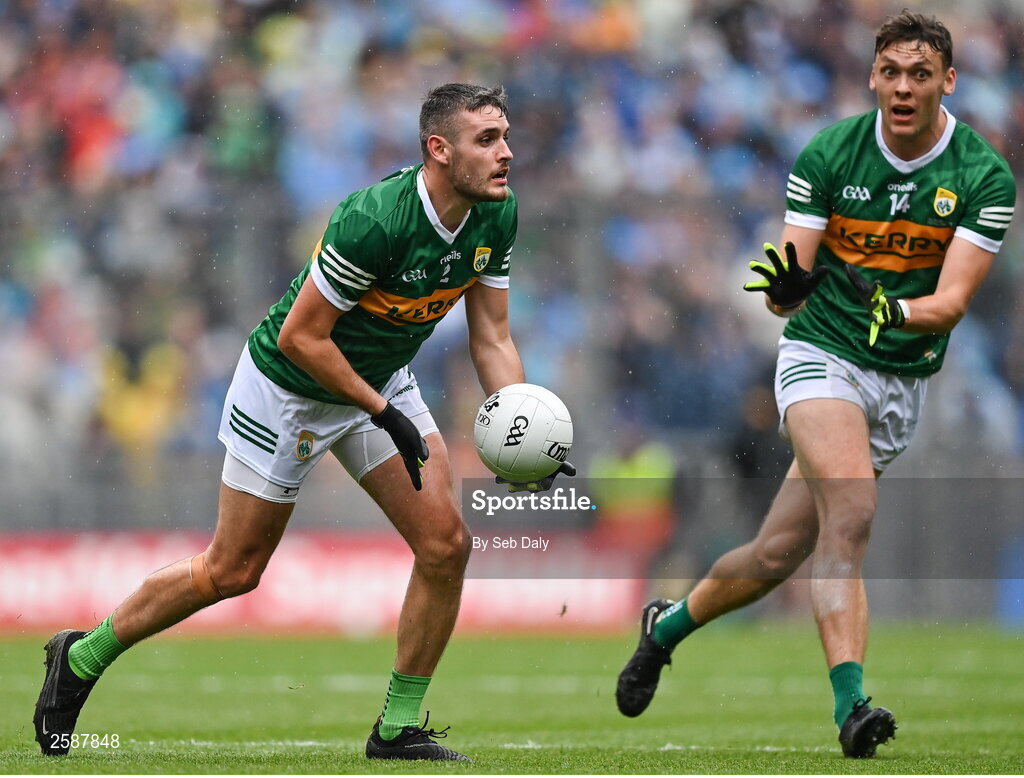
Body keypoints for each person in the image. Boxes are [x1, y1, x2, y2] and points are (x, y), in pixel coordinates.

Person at [34, 83, 570, 763]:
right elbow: (301, 338)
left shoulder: (497, 214)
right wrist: (382, 412)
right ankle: (80, 657)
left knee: (445, 544)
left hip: (375, 385)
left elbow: (491, 337)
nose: (506, 153)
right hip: (288, 391)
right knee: (233, 570)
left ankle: (397, 727)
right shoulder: (374, 219)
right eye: (487, 140)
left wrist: (516, 425)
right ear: (438, 150)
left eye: (505, 136)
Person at [616, 10, 1014, 759]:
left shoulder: (982, 176)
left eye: (920, 73)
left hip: (900, 378)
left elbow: (952, 303)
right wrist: (786, 290)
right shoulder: (830, 153)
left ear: (948, 82)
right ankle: (851, 705)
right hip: (820, 355)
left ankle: (665, 627)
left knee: (773, 557)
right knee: (854, 513)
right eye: (890, 71)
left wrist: (892, 308)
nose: (903, 86)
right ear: (872, 77)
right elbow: (786, 290)